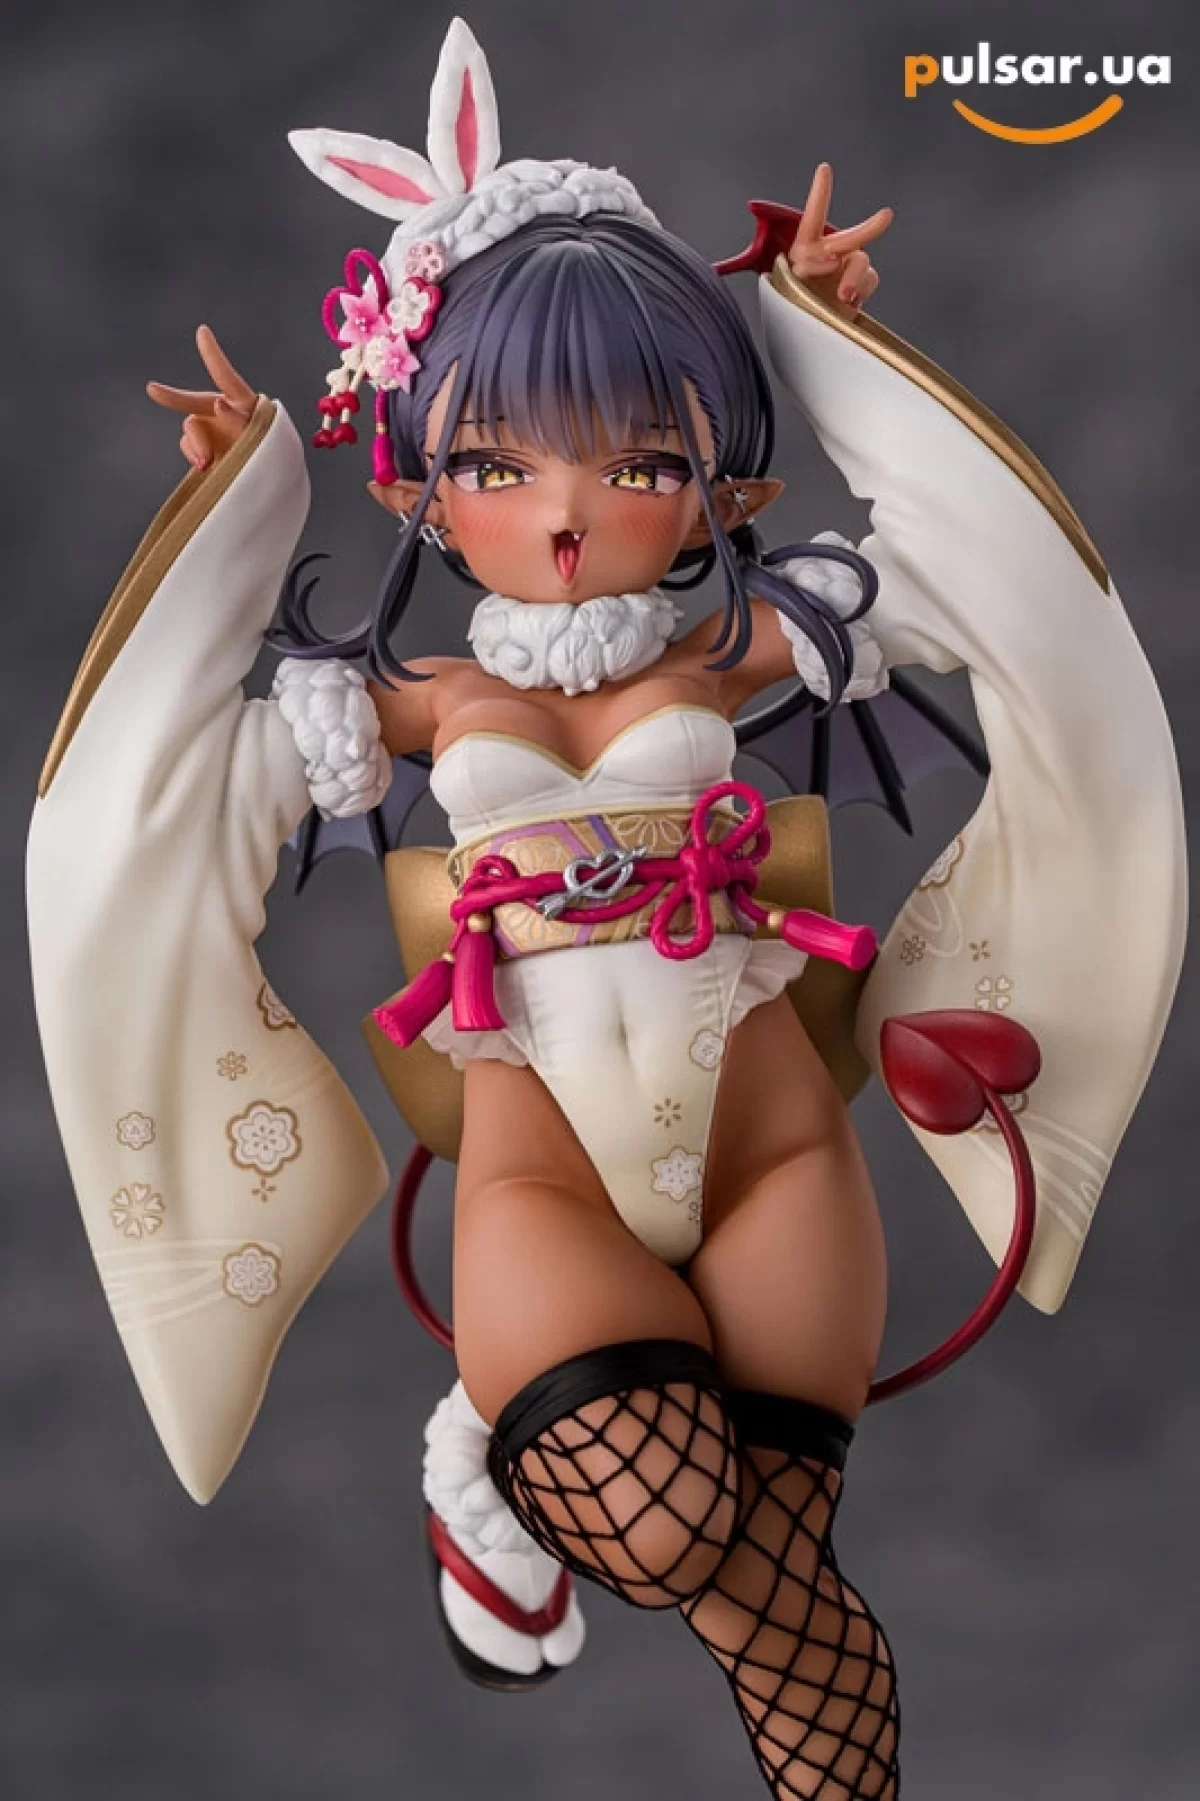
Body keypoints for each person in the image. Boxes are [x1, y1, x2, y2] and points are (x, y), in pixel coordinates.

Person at [28, 19, 1185, 1801]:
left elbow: (985, 581)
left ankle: (511, 1460)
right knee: (670, 1531)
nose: (566, 514)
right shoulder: (404, 702)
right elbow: (167, 792)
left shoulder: (744, 648)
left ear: (729, 486)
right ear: (414, 480)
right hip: (541, 1161)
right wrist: (220, 527)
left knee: (783, 1603)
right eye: (500, 467)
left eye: (635, 465)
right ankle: (488, 1459)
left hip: (775, 1149)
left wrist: (837, 343)